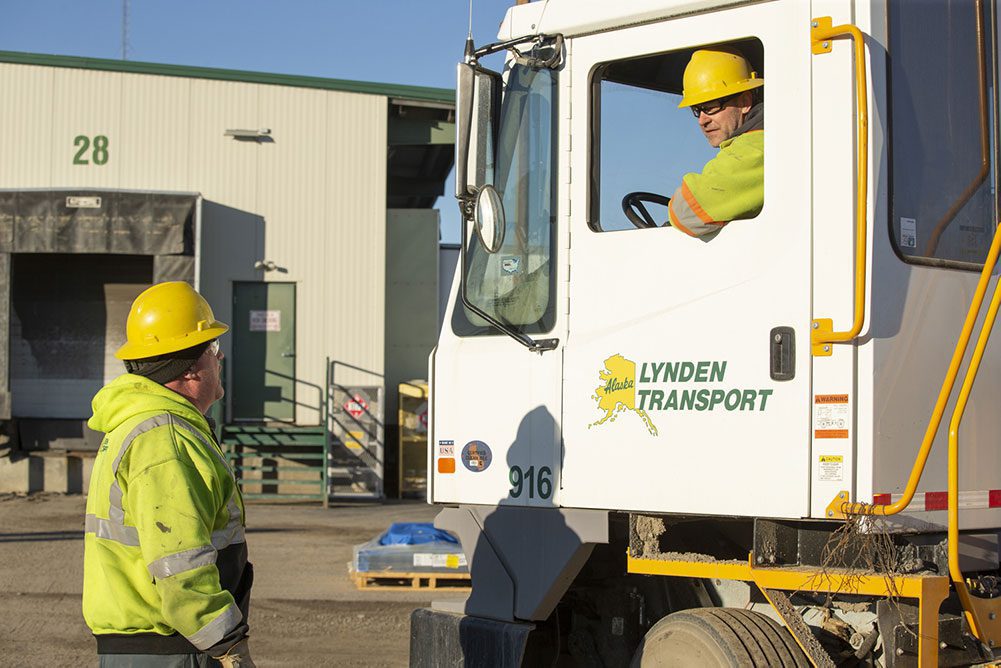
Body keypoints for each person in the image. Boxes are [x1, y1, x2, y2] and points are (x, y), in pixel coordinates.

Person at [83, 281, 256, 668]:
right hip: (173, 648)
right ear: (192, 369)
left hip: (159, 645)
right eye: (213, 349)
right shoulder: (166, 438)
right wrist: (227, 645)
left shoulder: (141, 425)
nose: (220, 358)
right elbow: (180, 562)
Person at [668, 47, 764, 239]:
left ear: (745, 101)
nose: (702, 120)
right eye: (697, 110)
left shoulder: (755, 148)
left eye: (710, 107)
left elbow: (686, 212)